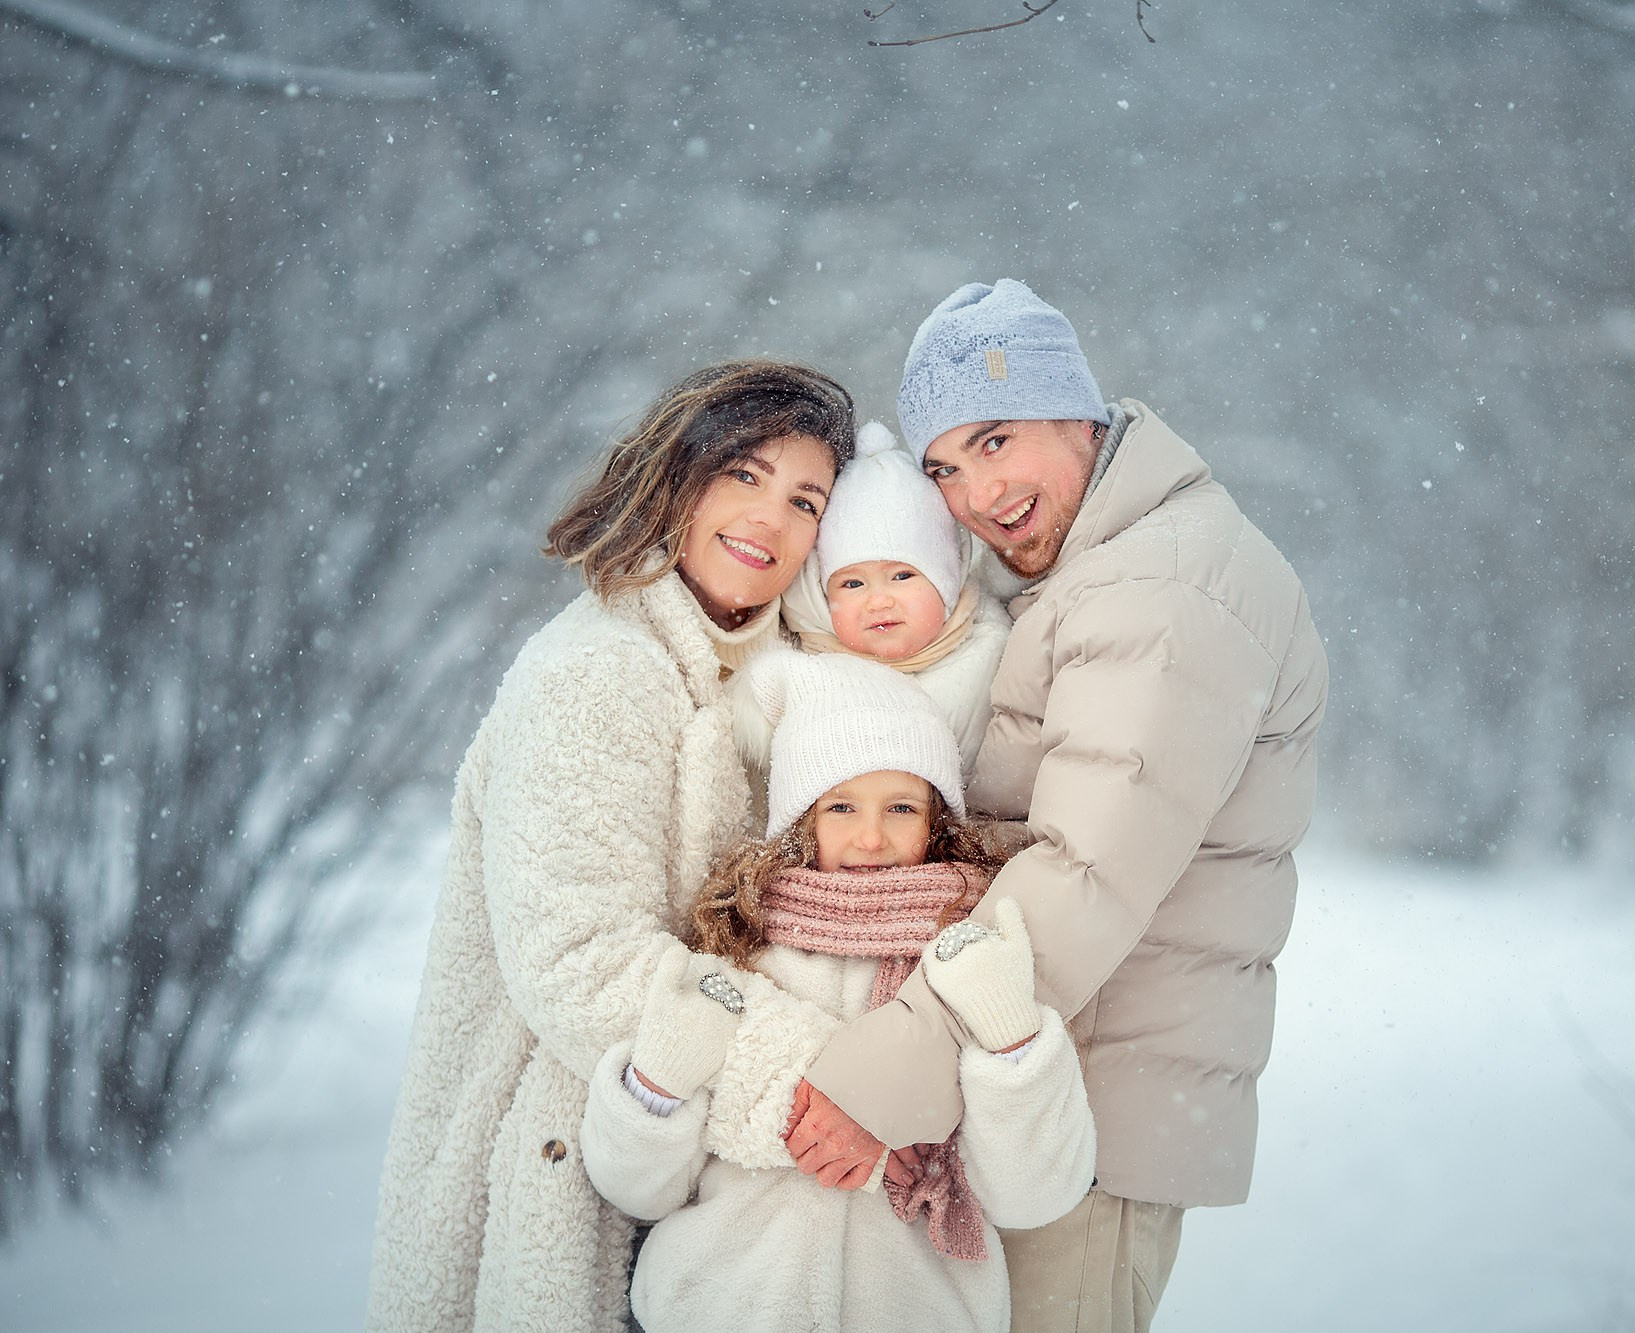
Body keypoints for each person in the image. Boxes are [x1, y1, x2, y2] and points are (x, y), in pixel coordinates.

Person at [784, 280, 1330, 1333]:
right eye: (944, 467)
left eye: (996, 440)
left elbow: (1079, 875)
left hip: (1091, 1117)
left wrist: (883, 1073)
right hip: (1044, 1095)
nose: (976, 493)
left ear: (1079, 413)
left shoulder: (1158, 593)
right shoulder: (1101, 576)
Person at [365, 360, 861, 1333]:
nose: (769, 517)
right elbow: (579, 962)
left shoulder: (758, 682)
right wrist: (820, 1079)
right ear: (677, 473)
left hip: (671, 1180)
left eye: (805, 499)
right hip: (548, 1179)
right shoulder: (595, 672)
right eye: (744, 475)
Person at [578, 651, 1095, 1331]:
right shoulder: (739, 950)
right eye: (841, 805)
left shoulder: (967, 965)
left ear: (937, 821)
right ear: (801, 821)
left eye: (901, 806)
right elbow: (637, 1187)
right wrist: (657, 1087)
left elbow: (1034, 1194)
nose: (871, 835)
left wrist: (1012, 1042)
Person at [733, 418, 1011, 773]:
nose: (878, 601)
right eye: (852, 584)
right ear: (821, 597)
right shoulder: (805, 678)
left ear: (948, 583)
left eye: (902, 575)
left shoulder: (997, 654)